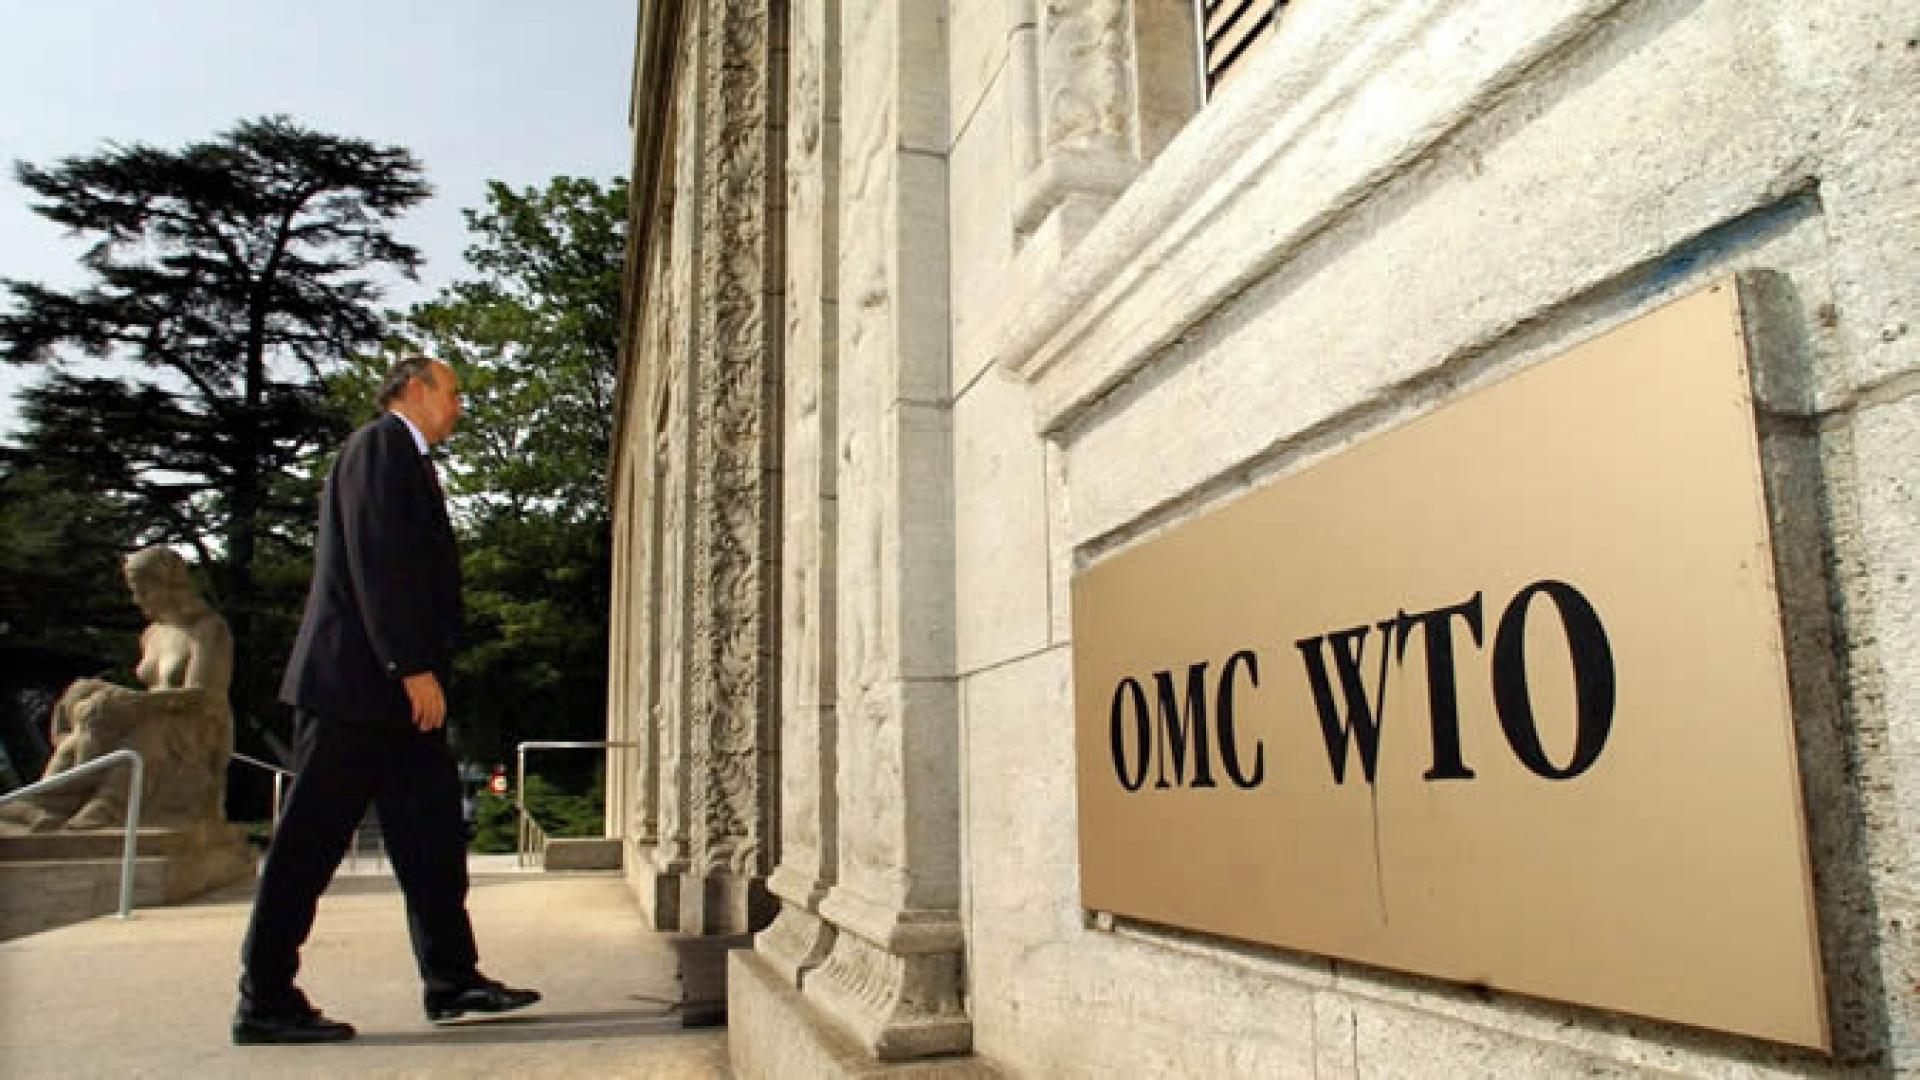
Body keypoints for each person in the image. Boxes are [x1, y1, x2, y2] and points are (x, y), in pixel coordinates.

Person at [233, 357, 538, 1044]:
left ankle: (452, 979)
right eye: (453, 392)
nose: (460, 406)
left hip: (396, 702)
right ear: (416, 390)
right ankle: (265, 997)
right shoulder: (379, 445)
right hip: (357, 690)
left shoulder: (411, 458)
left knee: (431, 841)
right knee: (307, 848)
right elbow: (377, 561)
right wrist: (410, 665)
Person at [0, 545, 233, 833]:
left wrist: (133, 702)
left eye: (144, 589)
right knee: (83, 730)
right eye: (134, 589)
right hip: (154, 711)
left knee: (149, 732)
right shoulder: (152, 634)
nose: (137, 599)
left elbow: (201, 695)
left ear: (169, 585)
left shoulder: (207, 629)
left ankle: (108, 806)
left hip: (195, 723)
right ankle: (42, 804)